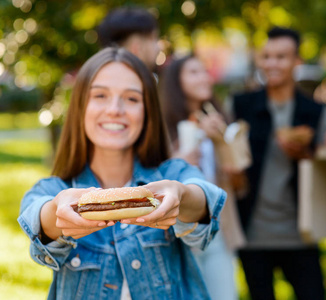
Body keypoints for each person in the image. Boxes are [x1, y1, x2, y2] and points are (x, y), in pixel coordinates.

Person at [17, 47, 226, 299]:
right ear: (81, 106)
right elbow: (37, 217)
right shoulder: (54, 190)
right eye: (100, 96)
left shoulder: (172, 174)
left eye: (131, 99)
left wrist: (180, 195)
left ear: (147, 112)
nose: (115, 109)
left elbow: (204, 199)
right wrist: (55, 214)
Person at [232, 27, 326, 300]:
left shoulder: (316, 112)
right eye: (267, 57)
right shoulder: (241, 105)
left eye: (281, 57)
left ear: (297, 61)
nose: (272, 64)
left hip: (301, 232)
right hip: (253, 233)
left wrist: (307, 156)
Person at [161, 54, 244, 300]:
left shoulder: (220, 121)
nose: (204, 78)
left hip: (218, 226)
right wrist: (194, 140)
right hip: (178, 232)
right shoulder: (162, 127)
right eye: (194, 72)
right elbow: (152, 177)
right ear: (176, 82)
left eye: (204, 71)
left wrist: (224, 146)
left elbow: (239, 184)